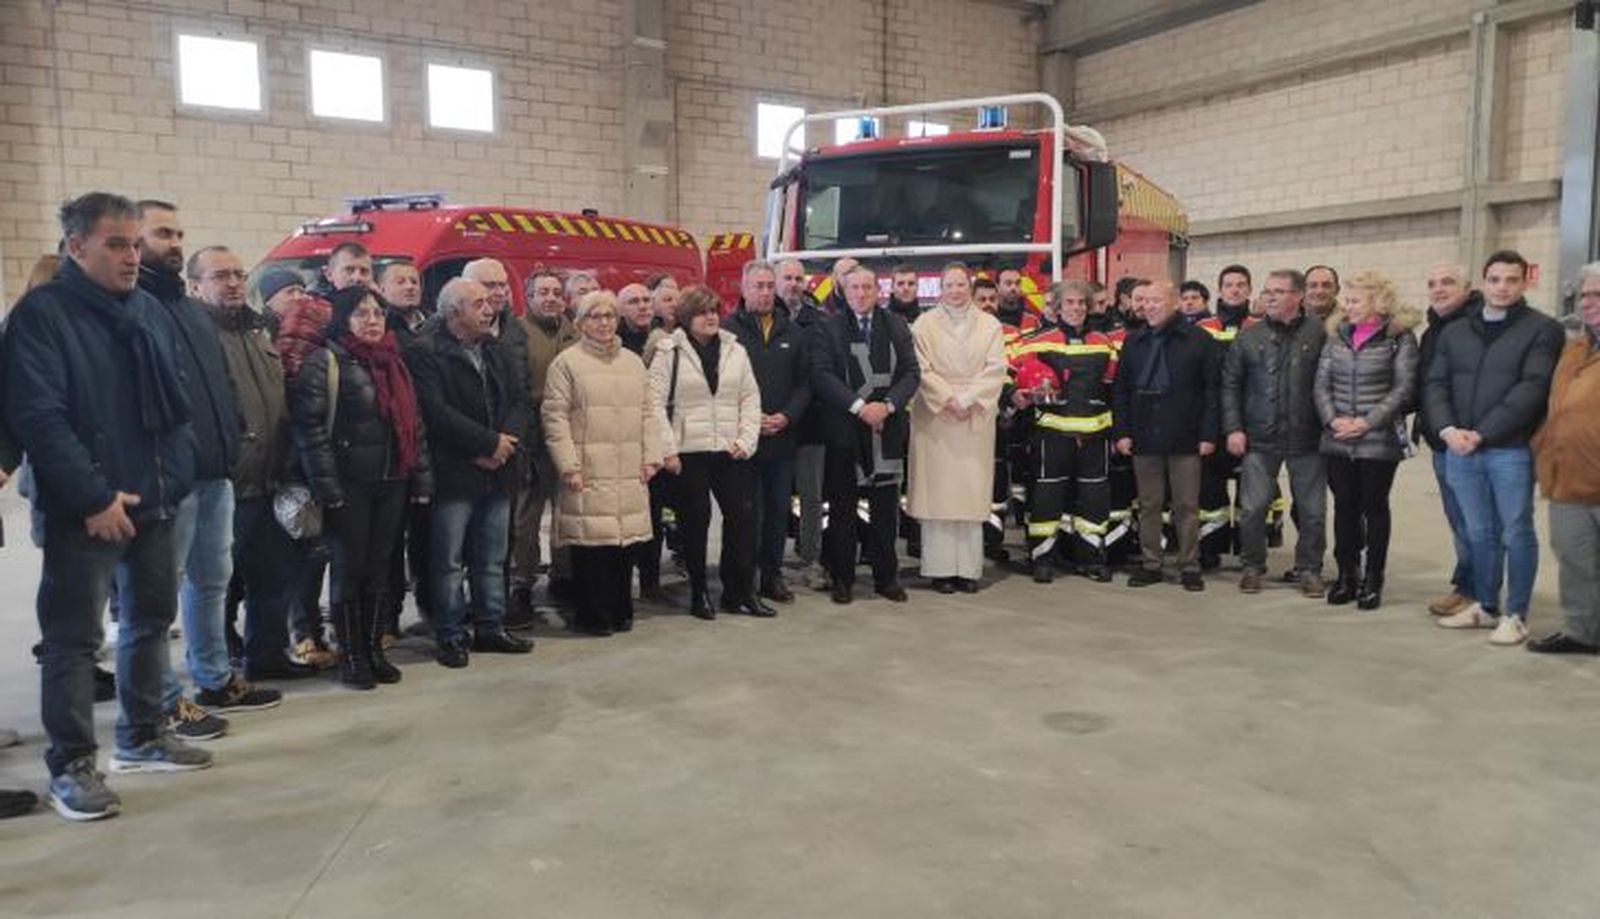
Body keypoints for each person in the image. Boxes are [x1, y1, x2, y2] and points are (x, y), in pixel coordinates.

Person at [6, 192, 210, 821]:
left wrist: (173, 479)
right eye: (116, 244)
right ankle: (71, 767)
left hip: (152, 499)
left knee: (149, 624)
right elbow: (40, 418)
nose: (131, 256)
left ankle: (142, 737)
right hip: (84, 510)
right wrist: (93, 497)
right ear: (76, 247)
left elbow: (173, 404)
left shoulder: (145, 309)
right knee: (73, 642)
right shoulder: (44, 315)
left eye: (133, 243)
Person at [137, 205, 283, 730]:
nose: (172, 242)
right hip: (170, 474)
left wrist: (231, 440)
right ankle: (161, 700)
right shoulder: (138, 304)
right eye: (161, 233)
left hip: (216, 468)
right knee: (157, 594)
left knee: (211, 581)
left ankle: (215, 680)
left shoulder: (188, 309)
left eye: (178, 233)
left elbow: (218, 384)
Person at [291, 287, 433, 688]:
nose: (372, 320)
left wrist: (420, 478)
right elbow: (311, 432)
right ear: (342, 319)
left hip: (392, 482)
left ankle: (373, 649)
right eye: (361, 313)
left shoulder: (394, 361)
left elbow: (414, 427)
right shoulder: (325, 362)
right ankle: (352, 656)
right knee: (348, 572)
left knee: (378, 572)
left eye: (377, 313)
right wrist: (328, 487)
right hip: (348, 487)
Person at [1426, 250, 1564, 646]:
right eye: (1495, 279)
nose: (1502, 287)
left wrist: (1482, 433)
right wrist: (1449, 430)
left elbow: (1532, 389)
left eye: (1511, 280)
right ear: (1482, 284)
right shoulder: (1455, 331)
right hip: (1458, 448)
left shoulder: (1543, 329)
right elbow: (1435, 384)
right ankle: (1486, 606)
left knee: (1516, 531)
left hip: (1509, 450)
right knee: (1478, 532)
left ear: (1524, 283)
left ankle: (1516, 614)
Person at [189, 246, 310, 684]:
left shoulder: (261, 330)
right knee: (215, 585)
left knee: (274, 576)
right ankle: (215, 667)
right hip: (224, 482)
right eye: (221, 275)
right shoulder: (196, 336)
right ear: (195, 286)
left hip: (272, 479)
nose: (235, 282)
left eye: (239, 274)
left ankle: (267, 655)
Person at [406, 278, 532, 666]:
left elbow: (519, 400)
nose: (489, 307)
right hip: (454, 472)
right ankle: (449, 633)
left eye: (488, 302)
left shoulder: (495, 349)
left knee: (492, 558)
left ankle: (490, 626)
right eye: (478, 303)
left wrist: (503, 444)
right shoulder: (425, 351)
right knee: (447, 562)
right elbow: (434, 412)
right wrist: (485, 445)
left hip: (498, 469)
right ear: (452, 312)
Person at [544, 290, 665, 635]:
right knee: (592, 547)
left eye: (610, 315)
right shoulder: (566, 363)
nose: (604, 322)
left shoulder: (632, 361)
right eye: (595, 316)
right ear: (581, 323)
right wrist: (568, 465)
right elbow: (555, 419)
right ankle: (592, 614)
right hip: (587, 468)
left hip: (629, 467)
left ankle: (620, 609)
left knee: (624, 544)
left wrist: (651, 457)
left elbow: (648, 413)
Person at [651, 285, 765, 619]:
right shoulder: (667, 351)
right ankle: (699, 593)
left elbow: (750, 397)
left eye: (715, 310)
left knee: (744, 520)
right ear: (687, 318)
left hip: (731, 450)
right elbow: (654, 406)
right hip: (689, 451)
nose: (711, 316)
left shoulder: (735, 350)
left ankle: (740, 593)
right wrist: (668, 450)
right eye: (703, 311)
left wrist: (746, 441)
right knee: (695, 524)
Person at [811, 265, 920, 604]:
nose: (861, 293)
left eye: (867, 287)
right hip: (844, 431)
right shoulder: (827, 327)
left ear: (878, 291)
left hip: (886, 430)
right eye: (854, 287)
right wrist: (860, 407)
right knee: (842, 509)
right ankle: (842, 578)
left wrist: (887, 406)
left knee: (886, 511)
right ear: (843, 291)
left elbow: (910, 372)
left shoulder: (896, 325)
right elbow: (822, 374)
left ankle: (886, 578)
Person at [1314, 271, 1419, 610]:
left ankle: (1373, 579)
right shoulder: (1336, 335)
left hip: (1379, 439)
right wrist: (1334, 420)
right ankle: (1347, 575)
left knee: (1374, 508)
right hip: (1338, 437)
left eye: (1355, 299)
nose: (1347, 305)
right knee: (1344, 507)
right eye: (1347, 298)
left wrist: (1366, 423)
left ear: (1379, 301)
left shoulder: (1399, 338)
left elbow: (1403, 389)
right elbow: (1321, 385)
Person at [1223, 269, 1327, 596]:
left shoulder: (1319, 334)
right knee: (1253, 508)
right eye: (1268, 291)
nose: (1270, 297)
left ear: (1298, 296)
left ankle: (1309, 569)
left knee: (1312, 511)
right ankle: (1253, 565)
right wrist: (1234, 428)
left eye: (1279, 291)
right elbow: (1231, 385)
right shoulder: (1249, 336)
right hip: (1259, 437)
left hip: (1307, 438)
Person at [907, 263, 1009, 593]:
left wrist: (967, 401)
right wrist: (948, 398)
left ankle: (967, 570)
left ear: (969, 287)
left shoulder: (990, 324)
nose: (955, 290)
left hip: (973, 417)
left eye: (961, 284)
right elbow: (919, 368)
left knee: (969, 495)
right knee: (939, 496)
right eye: (949, 284)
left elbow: (996, 369)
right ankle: (939, 571)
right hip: (936, 416)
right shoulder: (924, 324)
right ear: (940, 288)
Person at [1112, 279, 1219, 591]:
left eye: (1156, 300)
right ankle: (1151, 563)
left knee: (1186, 504)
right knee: (1149, 503)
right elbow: (1121, 390)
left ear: (1174, 302)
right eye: (1145, 301)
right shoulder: (1134, 342)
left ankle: (1188, 564)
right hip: (1144, 435)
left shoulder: (1200, 340)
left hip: (1186, 435)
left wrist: (1209, 433)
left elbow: (1212, 390)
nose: (1149, 306)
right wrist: (1123, 431)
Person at [1010, 280, 1118, 583]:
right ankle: (1042, 558)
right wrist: (1014, 395)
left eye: (1082, 303)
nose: (1077, 308)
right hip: (1051, 437)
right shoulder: (1035, 341)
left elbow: (1114, 388)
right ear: (1057, 308)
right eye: (1069, 303)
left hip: (1095, 438)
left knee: (1094, 500)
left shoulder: (1103, 342)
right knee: (1047, 499)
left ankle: (1091, 559)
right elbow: (1009, 375)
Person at [727, 261, 811, 604]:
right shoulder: (728, 331)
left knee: (778, 512)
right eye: (756, 286)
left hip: (782, 440)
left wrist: (787, 416)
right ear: (744, 288)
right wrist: (748, 420)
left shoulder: (793, 332)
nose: (763, 292)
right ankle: (744, 579)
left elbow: (805, 384)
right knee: (747, 514)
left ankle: (771, 576)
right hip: (743, 442)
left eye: (767, 286)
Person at [1528, 263, 1600, 654]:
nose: (1589, 303)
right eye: (1586, 295)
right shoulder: (1574, 349)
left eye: (1598, 295)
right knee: (1574, 559)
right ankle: (1582, 631)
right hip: (1567, 477)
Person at [509, 269, 579, 621]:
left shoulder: (575, 332)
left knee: (566, 510)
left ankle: (564, 577)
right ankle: (521, 584)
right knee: (527, 516)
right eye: (543, 292)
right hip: (531, 438)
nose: (550, 297)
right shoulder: (517, 332)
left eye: (556, 292)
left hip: (567, 436)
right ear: (529, 298)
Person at [1415, 262, 1483, 617]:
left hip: (1466, 440)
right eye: (1432, 283)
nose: (1438, 289)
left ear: (1467, 288)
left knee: (1477, 522)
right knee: (1459, 520)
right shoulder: (1435, 330)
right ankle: (1467, 585)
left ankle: (1479, 592)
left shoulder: (1473, 326)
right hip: (1441, 440)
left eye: (1447, 283)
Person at [780, 258, 832, 590]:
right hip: (773, 424)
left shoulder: (821, 322)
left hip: (811, 423)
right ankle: (768, 561)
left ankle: (812, 559)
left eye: (799, 278)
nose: (794, 284)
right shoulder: (762, 320)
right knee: (771, 496)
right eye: (787, 278)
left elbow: (822, 371)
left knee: (812, 498)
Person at [378, 261, 428, 344]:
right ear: (382, 290)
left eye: (414, 282)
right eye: (400, 282)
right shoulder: (379, 325)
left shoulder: (434, 323)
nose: (410, 287)